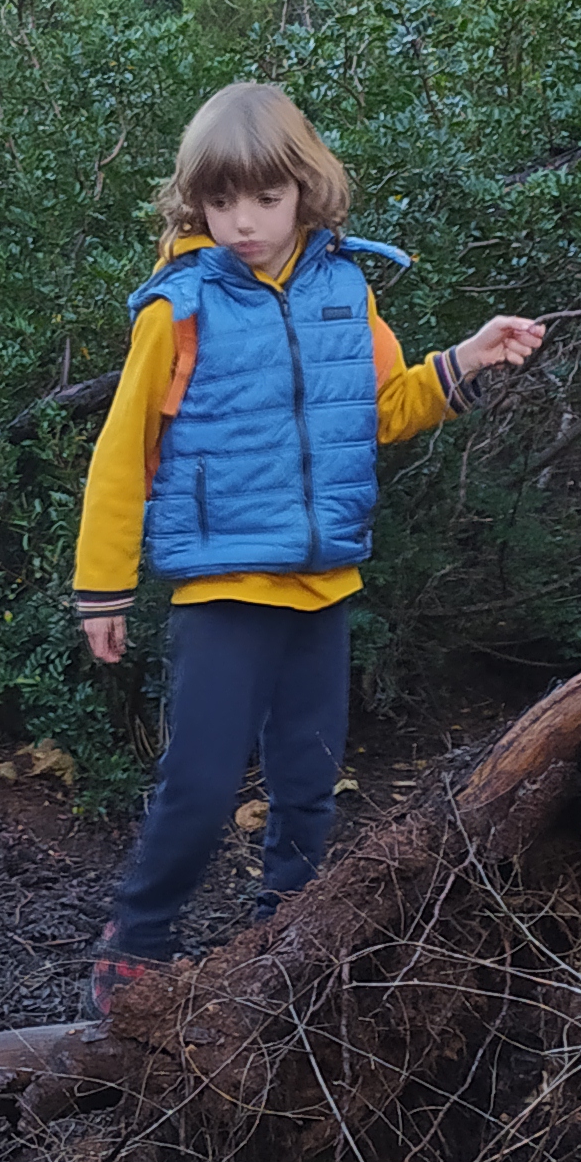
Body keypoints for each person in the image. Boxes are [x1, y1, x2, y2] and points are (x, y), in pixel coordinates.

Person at [71, 83, 547, 1013]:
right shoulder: (179, 311)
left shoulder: (343, 287)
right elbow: (123, 451)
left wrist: (470, 359)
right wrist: (104, 590)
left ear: (305, 189)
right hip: (222, 586)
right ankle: (140, 937)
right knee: (203, 785)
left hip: (324, 585)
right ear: (195, 202)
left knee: (308, 784)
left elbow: (382, 409)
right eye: (220, 202)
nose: (242, 222)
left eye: (264, 199)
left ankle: (282, 941)